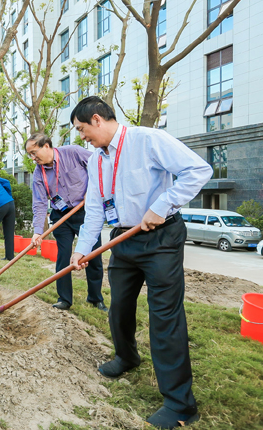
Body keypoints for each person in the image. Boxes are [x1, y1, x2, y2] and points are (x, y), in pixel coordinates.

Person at [68, 96, 211, 429]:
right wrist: (82, 249)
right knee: (119, 306)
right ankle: (127, 356)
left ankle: (180, 404)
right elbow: (94, 210)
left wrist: (163, 204)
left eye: (82, 129)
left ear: (97, 119)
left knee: (164, 316)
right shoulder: (96, 160)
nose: (82, 137)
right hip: (123, 239)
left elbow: (198, 170)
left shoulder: (148, 139)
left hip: (161, 238)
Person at [26, 132, 106, 312]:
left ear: (46, 146)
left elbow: (99, 165)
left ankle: (95, 298)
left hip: (85, 211)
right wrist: (38, 231)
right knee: (63, 257)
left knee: (93, 255)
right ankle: (64, 299)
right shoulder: (38, 174)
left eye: (34, 152)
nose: (32, 158)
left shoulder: (73, 152)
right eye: (29, 155)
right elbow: (39, 203)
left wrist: (93, 190)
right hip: (60, 216)